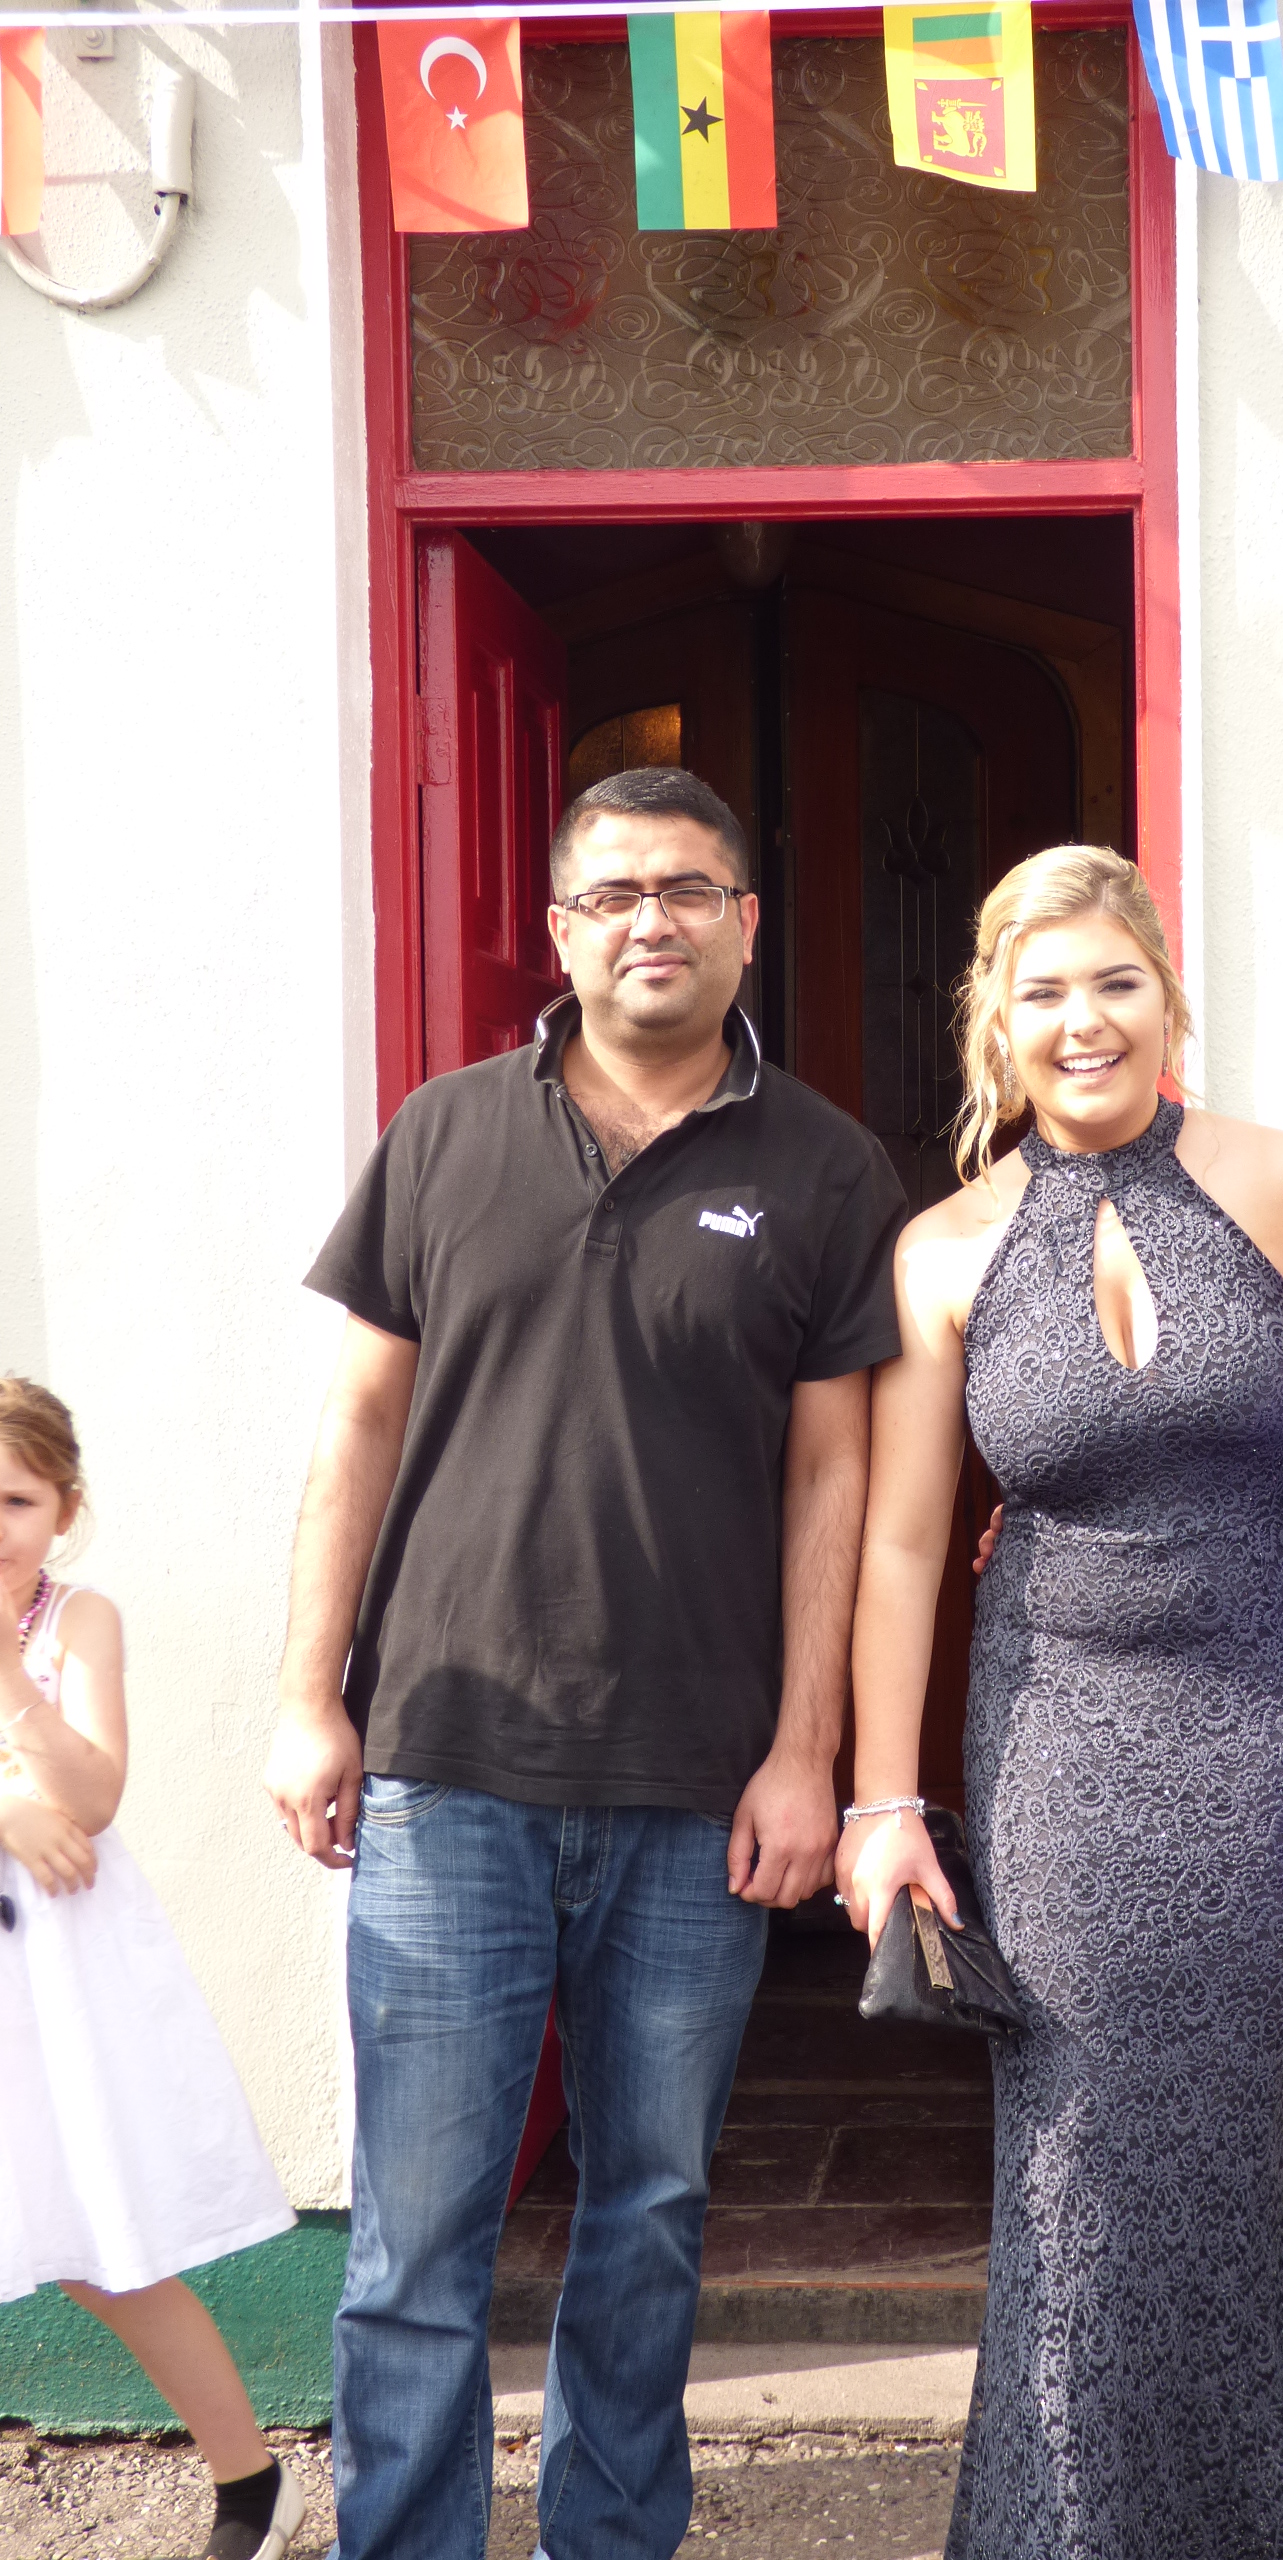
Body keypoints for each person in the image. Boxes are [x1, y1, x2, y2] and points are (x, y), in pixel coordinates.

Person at [264, 766, 906, 2560]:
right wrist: (307, 1693)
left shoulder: (827, 1168)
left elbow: (837, 1481)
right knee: (417, 2235)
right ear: (559, 930)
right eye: (614, 893)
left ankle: (611, 2540)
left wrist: (808, 1752)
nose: (652, 921)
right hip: (446, 1758)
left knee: (651, 2212)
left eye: (689, 889)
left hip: (696, 1784)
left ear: (746, 923)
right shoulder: (444, 1132)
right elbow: (358, 1425)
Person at [838, 845, 1283, 2560]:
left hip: (1268, 1724)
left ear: (1171, 998)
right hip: (1054, 1742)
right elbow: (903, 1545)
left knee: (1215, 2159)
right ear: (994, 1023)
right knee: (1068, 2159)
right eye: (1044, 992)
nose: (1083, 1021)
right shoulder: (942, 1250)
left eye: (1114, 983)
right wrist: (882, 1804)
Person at [0, 1377, 305, 2560]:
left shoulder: (78, 1622)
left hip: (54, 1984)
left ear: (64, 1509)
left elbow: (92, 1795)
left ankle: (252, 2482)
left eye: (16, 1500)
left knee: (97, 2248)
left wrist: (7, 1675)